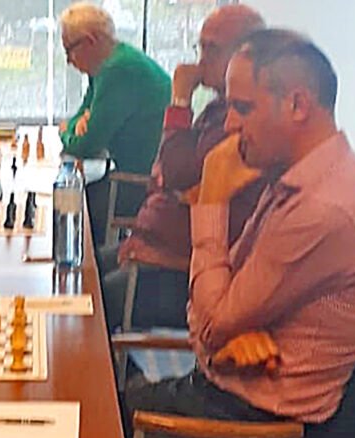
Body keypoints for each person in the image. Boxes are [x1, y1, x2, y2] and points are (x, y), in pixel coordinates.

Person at [0, 30, 355, 438]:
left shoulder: (325, 208)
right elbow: (215, 309)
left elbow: (210, 319)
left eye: (243, 107)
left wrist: (211, 201)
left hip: (252, 433)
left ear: (298, 105)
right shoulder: (298, 180)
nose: (229, 124)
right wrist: (224, 329)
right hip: (223, 390)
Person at [98, 5, 266, 331]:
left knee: (92, 301)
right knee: (80, 271)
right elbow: (167, 175)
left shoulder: (241, 121)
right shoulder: (218, 109)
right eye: (200, 47)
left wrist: (180, 101)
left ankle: (117, 366)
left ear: (248, 55)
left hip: (186, 273)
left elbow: (175, 172)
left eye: (212, 49)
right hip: (158, 248)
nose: (201, 60)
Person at [57, 3, 171, 244]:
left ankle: (92, 268)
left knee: (70, 204)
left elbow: (85, 146)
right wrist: (75, 126)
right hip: (130, 174)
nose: (68, 61)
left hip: (142, 186)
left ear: (90, 41)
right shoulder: (108, 64)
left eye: (69, 50)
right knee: (72, 194)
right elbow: (81, 113)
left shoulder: (118, 70)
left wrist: (66, 132)